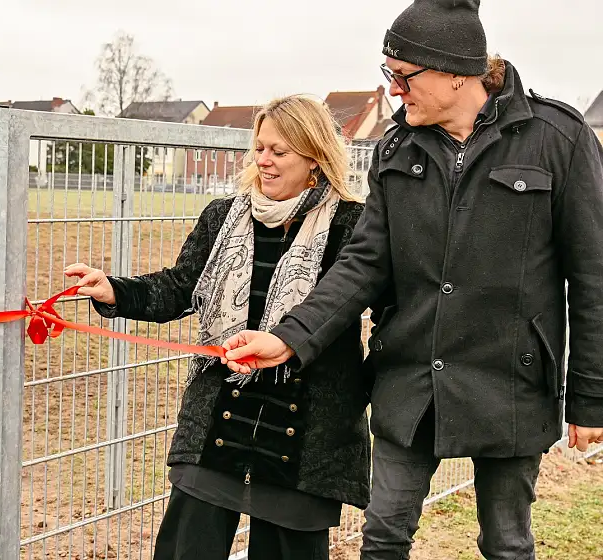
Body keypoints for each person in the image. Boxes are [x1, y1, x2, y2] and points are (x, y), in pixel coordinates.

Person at [221, 1, 603, 559]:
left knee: (507, 543)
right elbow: (363, 263)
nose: (395, 91)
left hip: (512, 380)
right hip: (413, 376)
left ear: (455, 72)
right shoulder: (397, 149)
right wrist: (288, 337)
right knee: (383, 535)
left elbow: (593, 279)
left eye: (403, 77)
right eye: (390, 75)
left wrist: (590, 398)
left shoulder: (557, 139)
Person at [65, 95, 375, 560]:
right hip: (219, 423)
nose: (264, 161)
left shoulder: (352, 224)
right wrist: (113, 289)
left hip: (303, 436)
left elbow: (351, 310)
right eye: (260, 147)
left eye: (279, 151)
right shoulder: (222, 216)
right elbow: (179, 287)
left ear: (314, 157)